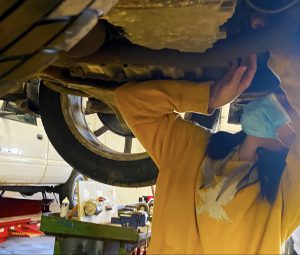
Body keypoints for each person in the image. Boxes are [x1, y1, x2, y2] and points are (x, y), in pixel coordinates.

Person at [115, 44, 300, 253]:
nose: (282, 98)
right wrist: (210, 98)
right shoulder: (192, 147)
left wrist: (206, 98)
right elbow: (129, 102)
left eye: (288, 103)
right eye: (279, 94)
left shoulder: (286, 194)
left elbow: (129, 103)